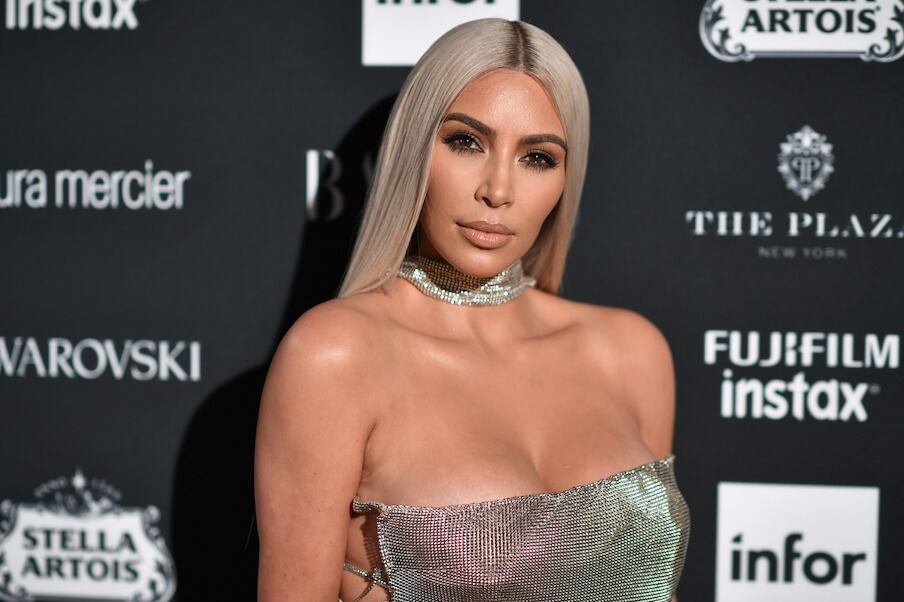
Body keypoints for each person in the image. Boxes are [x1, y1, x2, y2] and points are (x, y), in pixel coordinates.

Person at [254, 17, 690, 602]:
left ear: (567, 176)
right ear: (414, 150)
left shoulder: (633, 353)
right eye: (466, 142)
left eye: (538, 158)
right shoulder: (335, 356)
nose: (498, 190)